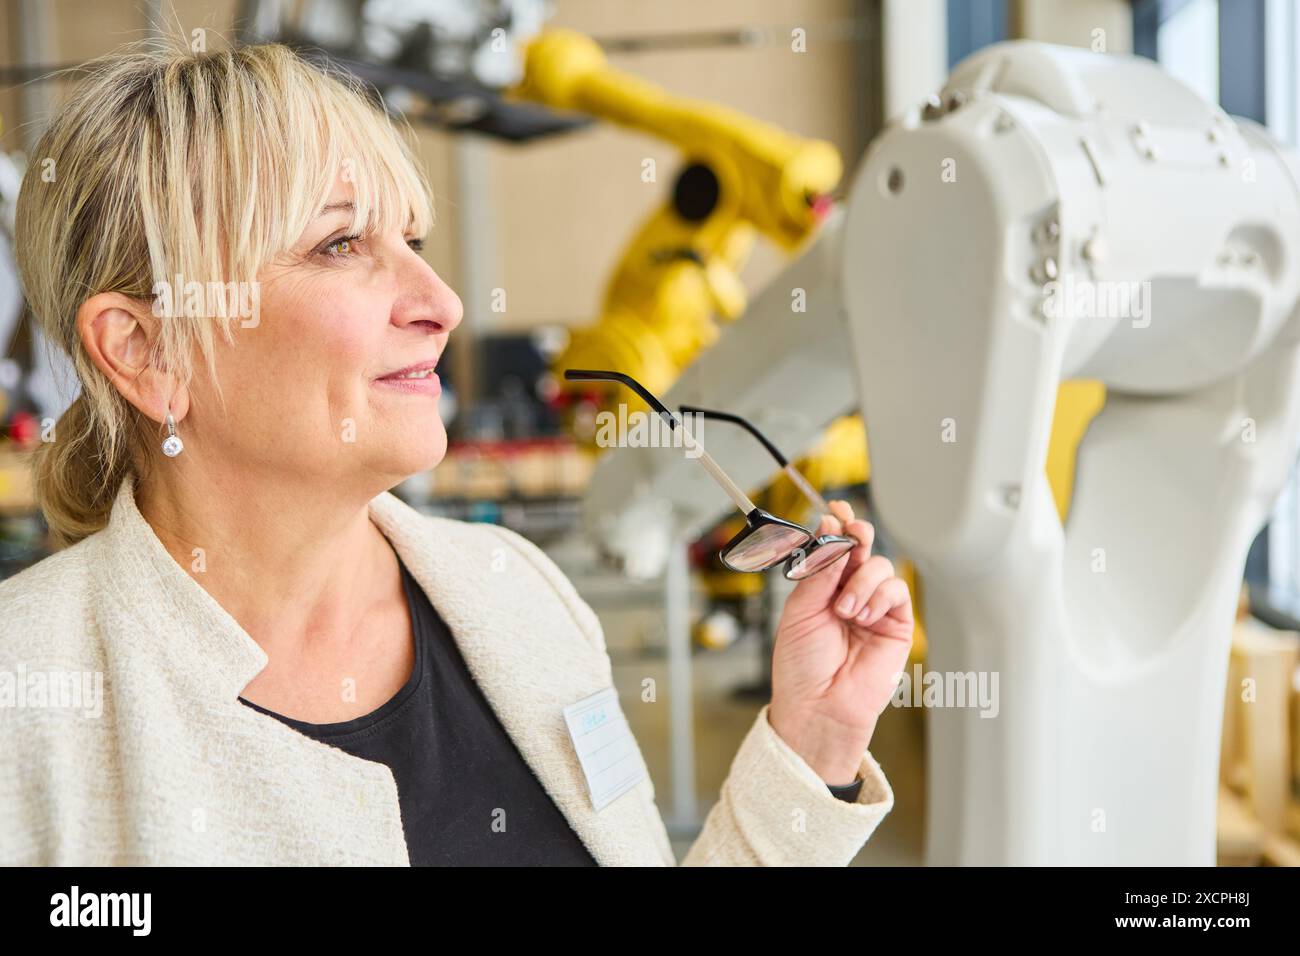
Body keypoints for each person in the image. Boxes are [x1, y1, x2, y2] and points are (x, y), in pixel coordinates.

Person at [0, 40, 913, 866]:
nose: (442, 300)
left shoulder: (520, 594)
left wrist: (811, 748)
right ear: (145, 352)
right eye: (341, 242)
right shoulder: (26, 705)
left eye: (415, 239)